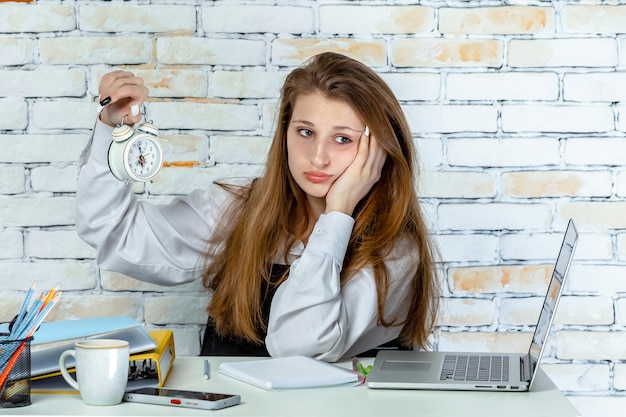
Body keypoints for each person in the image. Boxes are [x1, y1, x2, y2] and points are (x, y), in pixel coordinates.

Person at [75, 52, 440, 362]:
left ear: (377, 151)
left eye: (342, 139)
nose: (318, 157)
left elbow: (297, 347)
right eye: (305, 132)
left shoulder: (393, 251)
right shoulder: (238, 210)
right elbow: (114, 233)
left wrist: (338, 212)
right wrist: (114, 129)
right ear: (285, 133)